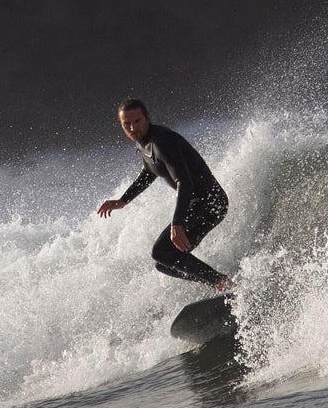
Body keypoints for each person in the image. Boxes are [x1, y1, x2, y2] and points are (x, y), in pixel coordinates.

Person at [97, 98, 235, 292]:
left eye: (137, 121)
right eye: (126, 123)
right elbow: (149, 171)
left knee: (161, 252)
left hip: (211, 202)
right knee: (164, 262)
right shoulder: (144, 143)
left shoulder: (162, 142)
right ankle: (222, 286)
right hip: (204, 205)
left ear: (146, 119)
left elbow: (184, 182)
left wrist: (176, 223)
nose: (132, 127)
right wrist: (123, 200)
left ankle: (221, 282)